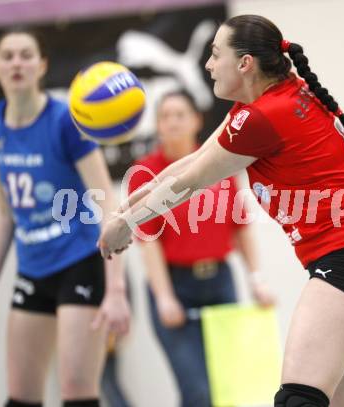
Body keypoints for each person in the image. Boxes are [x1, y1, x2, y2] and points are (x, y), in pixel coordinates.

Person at [99, 14, 344, 407]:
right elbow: (193, 161)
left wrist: (128, 225)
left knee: (297, 399)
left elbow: (190, 183)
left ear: (244, 63)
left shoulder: (262, 116)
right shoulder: (276, 97)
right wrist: (124, 209)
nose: (209, 65)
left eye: (215, 55)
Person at [0, 28, 130, 407]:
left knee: (76, 391)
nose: (16, 63)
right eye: (7, 56)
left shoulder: (64, 121)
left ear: (42, 66)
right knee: (20, 395)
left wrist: (117, 290)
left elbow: (109, 205)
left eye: (26, 55)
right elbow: (5, 213)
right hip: (32, 267)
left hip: (80, 262)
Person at [128, 90, 274, 407]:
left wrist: (256, 280)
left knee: (228, 386)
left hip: (220, 282)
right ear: (158, 126)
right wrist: (165, 297)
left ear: (196, 121)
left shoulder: (220, 164)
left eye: (180, 115)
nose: (172, 122)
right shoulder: (146, 173)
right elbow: (147, 243)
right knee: (197, 391)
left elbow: (240, 230)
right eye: (165, 117)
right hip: (174, 284)